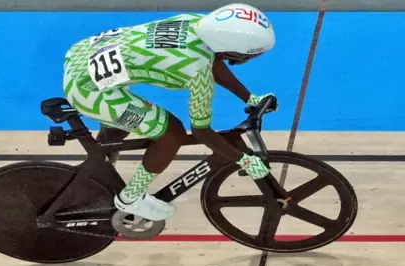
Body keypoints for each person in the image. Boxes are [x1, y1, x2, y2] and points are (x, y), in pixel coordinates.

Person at [62, 3, 278, 222]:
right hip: (87, 91)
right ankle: (130, 198)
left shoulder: (195, 21)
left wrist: (249, 98)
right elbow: (202, 132)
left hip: (82, 56)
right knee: (172, 134)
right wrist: (244, 160)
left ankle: (98, 172)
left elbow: (213, 60)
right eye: (251, 55)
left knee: (121, 125)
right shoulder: (197, 71)